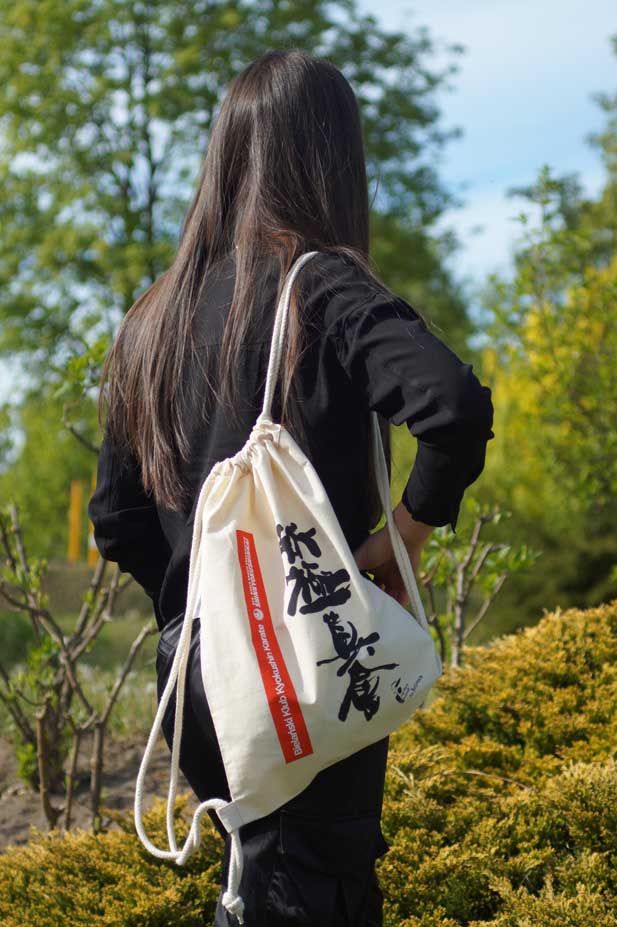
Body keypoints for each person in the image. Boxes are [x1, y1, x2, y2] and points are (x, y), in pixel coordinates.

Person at [88, 48, 494, 927]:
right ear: (333, 160)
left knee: (260, 878)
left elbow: (117, 521)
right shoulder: (321, 287)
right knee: (318, 890)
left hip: (195, 670)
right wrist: (404, 536)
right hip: (308, 662)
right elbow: (454, 408)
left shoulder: (148, 321)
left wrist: (208, 610)